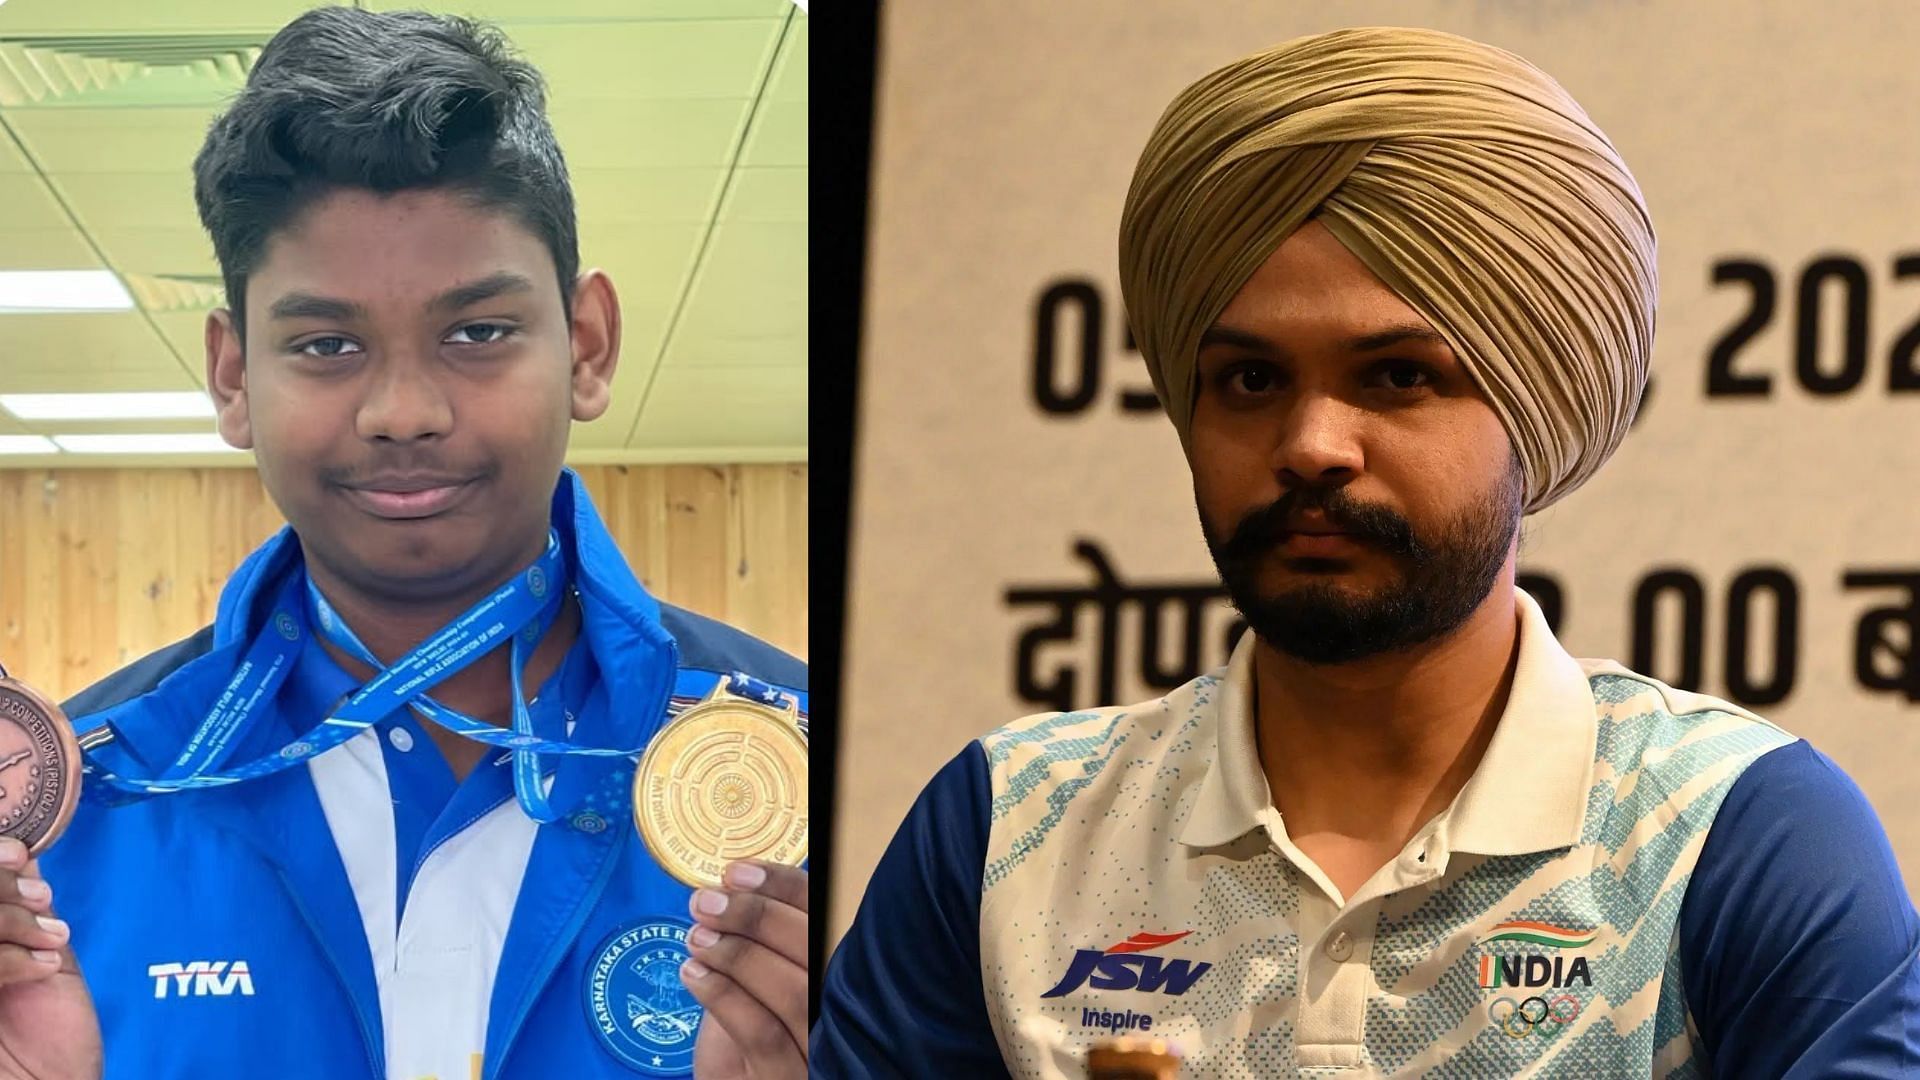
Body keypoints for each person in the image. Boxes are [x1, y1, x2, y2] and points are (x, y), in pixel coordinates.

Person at [814, 26, 1918, 1078]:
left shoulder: (1732, 833)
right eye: (1251, 380)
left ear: (1531, 407)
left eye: (1398, 377)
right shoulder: (1011, 829)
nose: (1309, 446)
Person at [0, 8, 808, 1079]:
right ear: (235, 379)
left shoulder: (816, 796)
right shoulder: (69, 834)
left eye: (477, 333)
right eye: (327, 344)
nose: (404, 410)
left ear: (590, 346)